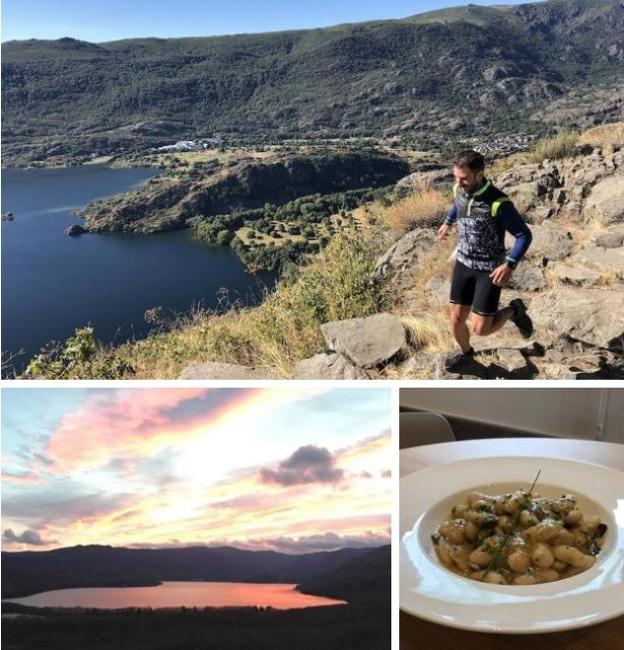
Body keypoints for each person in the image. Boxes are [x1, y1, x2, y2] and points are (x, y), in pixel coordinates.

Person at [437, 149, 534, 370]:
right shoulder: (459, 189)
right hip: (464, 262)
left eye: (464, 178)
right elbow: (458, 204)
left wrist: (509, 263)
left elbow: (523, 235)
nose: (459, 183)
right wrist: (447, 222)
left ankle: (514, 310)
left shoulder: (498, 202)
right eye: (456, 177)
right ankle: (467, 353)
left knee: (481, 329)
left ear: (479, 175)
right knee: (455, 319)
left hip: (488, 270)